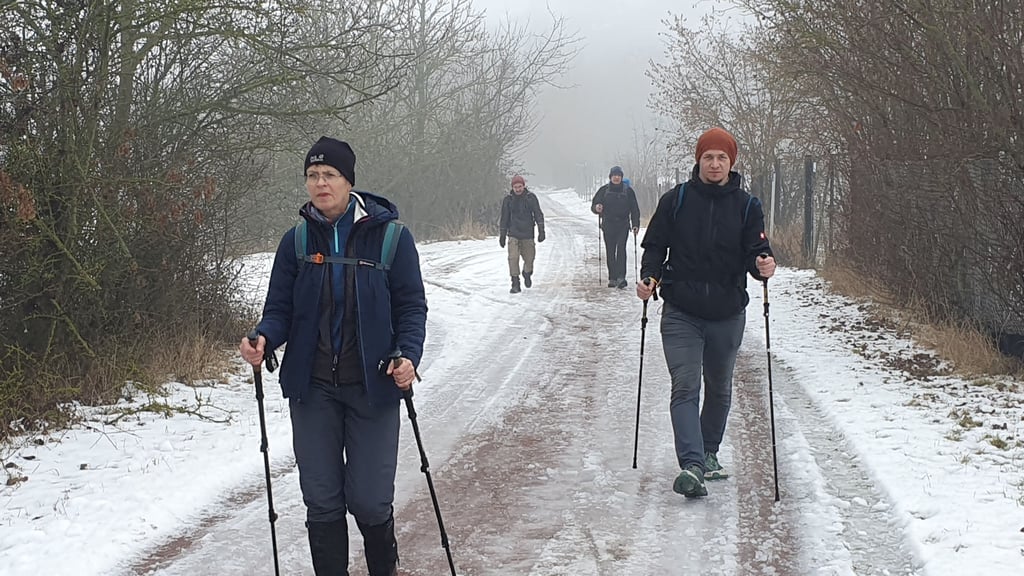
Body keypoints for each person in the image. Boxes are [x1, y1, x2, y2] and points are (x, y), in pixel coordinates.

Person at [239, 136, 427, 575]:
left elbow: (411, 307)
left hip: (373, 387)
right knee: (321, 500)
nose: (320, 183)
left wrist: (408, 355)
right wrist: (264, 337)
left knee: (369, 498)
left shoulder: (391, 238)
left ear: (349, 181)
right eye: (312, 175)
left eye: (329, 175)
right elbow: (280, 309)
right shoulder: (297, 241)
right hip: (314, 389)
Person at [636, 127, 776, 498]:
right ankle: (692, 466)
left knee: (719, 388)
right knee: (685, 385)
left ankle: (709, 452)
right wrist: (649, 277)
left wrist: (763, 263)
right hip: (681, 308)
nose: (715, 164)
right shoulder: (676, 200)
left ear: (732, 162)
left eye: (722, 158)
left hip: (728, 312)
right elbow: (655, 246)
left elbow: (755, 250)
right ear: (698, 160)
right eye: (708, 157)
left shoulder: (748, 206)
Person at [591, 166, 640, 288]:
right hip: (608, 225)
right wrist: (597, 208)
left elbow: (635, 209)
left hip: (623, 225)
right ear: (610, 177)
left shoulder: (628, 191)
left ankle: (621, 277)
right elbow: (594, 204)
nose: (616, 177)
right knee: (610, 251)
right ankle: (612, 277)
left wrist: (635, 224)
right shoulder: (603, 190)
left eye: (619, 175)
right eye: (614, 175)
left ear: (622, 177)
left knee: (621, 249)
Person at [499, 174, 545, 294]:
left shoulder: (531, 198)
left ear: (524, 186)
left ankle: (527, 273)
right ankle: (515, 282)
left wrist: (541, 230)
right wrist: (502, 235)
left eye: (520, 186)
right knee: (513, 258)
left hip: (527, 234)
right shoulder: (508, 200)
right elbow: (504, 218)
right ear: (512, 188)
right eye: (515, 187)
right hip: (513, 233)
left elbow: (538, 214)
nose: (518, 189)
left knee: (529, 259)